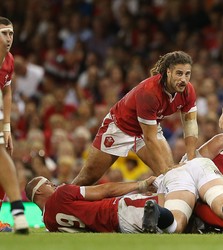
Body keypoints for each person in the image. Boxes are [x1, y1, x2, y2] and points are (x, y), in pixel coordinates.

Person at [72, 51, 198, 185]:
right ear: (168, 72)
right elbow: (150, 138)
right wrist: (165, 170)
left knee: (172, 178)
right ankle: (58, 200)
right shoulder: (149, 92)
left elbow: (190, 125)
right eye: (179, 73)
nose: (184, 79)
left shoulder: (188, 90)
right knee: (87, 178)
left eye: (187, 74)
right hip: (120, 127)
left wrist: (191, 160)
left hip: (149, 129)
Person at [25, 175, 177, 233]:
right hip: (116, 210)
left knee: (163, 229)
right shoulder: (61, 193)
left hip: (115, 229)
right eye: (47, 183)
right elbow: (105, 190)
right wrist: (140, 184)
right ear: (38, 192)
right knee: (171, 209)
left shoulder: (49, 223)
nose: (53, 183)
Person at [153, 157, 223, 234]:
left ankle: (156, 209)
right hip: (201, 164)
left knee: (175, 223)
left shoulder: (161, 178)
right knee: (219, 195)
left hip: (175, 176)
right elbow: (218, 140)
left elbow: (162, 203)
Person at [0, 16, 29, 234]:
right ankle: (18, 213)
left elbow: (7, 91)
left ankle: (16, 213)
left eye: (11, 33)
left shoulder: (8, 59)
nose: (8, 38)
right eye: (3, 33)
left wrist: (6, 127)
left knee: (4, 155)